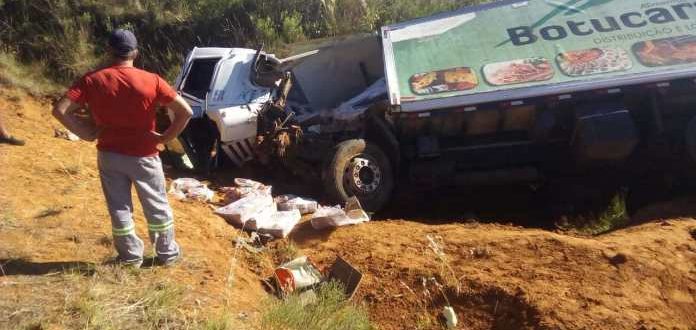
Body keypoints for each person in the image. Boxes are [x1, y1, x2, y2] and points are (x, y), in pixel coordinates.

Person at [52, 29, 193, 268]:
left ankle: (130, 257)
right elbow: (185, 112)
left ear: (109, 51)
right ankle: (167, 255)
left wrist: (86, 133)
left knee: (119, 207)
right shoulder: (152, 80)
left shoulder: (91, 80)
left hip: (109, 154)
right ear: (135, 53)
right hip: (145, 155)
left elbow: (60, 110)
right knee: (156, 205)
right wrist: (164, 138)